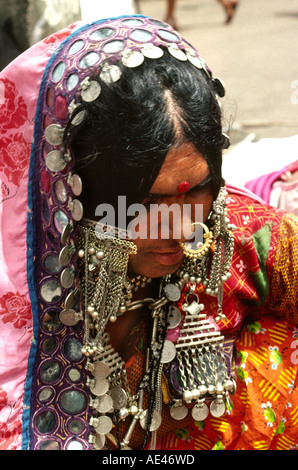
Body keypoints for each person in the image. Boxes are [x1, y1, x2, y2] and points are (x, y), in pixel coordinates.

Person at [0, 15, 298, 452]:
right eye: (145, 201)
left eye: (197, 188)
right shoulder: (22, 283)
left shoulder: (247, 236)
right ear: (77, 182)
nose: (181, 229)